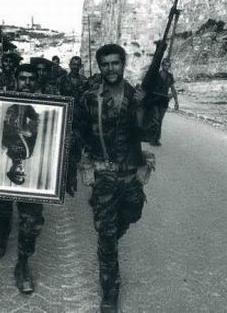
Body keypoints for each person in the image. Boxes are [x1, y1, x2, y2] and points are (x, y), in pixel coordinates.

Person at [72, 43, 159, 313]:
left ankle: (106, 224)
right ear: (100, 67)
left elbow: (150, 133)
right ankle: (110, 289)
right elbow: (78, 132)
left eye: (115, 63)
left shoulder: (137, 95)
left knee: (132, 213)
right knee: (107, 235)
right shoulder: (89, 98)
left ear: (123, 64)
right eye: (105, 64)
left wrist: (143, 107)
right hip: (105, 174)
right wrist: (77, 159)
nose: (110, 68)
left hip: (131, 174)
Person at [0, 64, 45, 294]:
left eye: (31, 79)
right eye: (22, 78)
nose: (27, 83)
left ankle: (22, 265)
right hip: (4, 164)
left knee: (31, 222)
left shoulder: (44, 109)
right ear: (15, 80)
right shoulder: (4, 105)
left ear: (36, 82)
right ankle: (3, 232)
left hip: (31, 170)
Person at [148, 57, 179, 146]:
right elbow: (150, 87)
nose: (166, 67)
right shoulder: (156, 75)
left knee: (160, 120)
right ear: (162, 65)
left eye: (168, 66)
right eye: (165, 65)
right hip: (155, 99)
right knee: (156, 118)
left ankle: (156, 138)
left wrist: (176, 101)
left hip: (164, 100)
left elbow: (173, 88)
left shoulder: (170, 76)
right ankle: (152, 138)